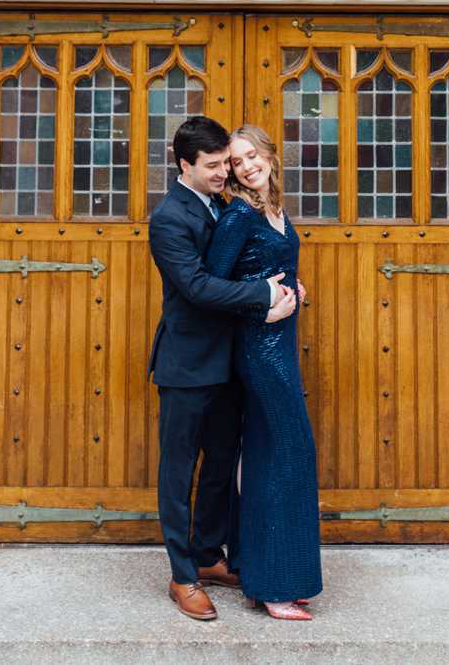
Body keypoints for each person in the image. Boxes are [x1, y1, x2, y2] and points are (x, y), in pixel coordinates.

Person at [148, 115, 297, 621]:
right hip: (187, 364)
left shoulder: (225, 205)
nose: (222, 173)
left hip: (231, 360)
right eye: (212, 166)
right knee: (178, 470)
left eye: (224, 163)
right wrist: (263, 294)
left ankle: (209, 555)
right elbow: (197, 287)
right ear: (184, 164)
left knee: (218, 466)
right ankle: (182, 575)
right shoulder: (169, 218)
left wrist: (286, 287)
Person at [204, 123, 323, 620]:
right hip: (260, 350)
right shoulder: (237, 217)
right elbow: (211, 286)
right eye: (236, 162)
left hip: (281, 346)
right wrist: (261, 308)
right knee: (285, 455)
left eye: (251, 156)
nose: (246, 166)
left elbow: (271, 269)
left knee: (270, 456)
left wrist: (295, 290)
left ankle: (258, 574)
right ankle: (274, 588)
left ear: (270, 155)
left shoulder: (274, 209)